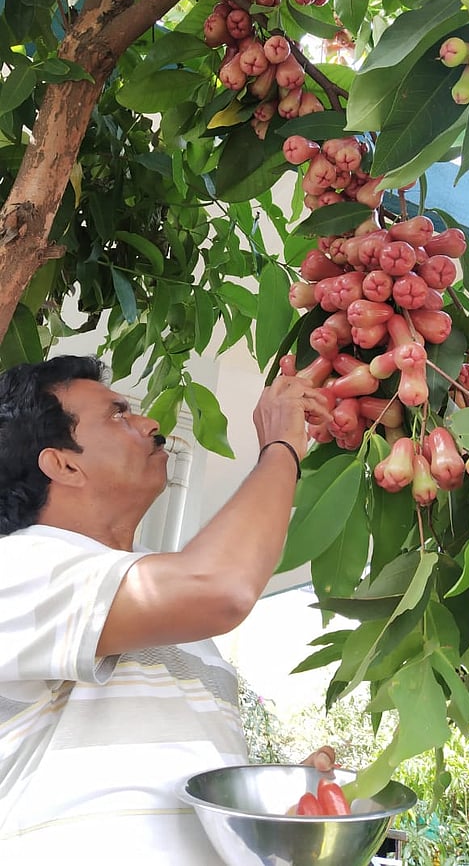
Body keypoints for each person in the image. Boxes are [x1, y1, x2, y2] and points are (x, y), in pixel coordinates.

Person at [0, 355, 332, 864]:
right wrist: (281, 446)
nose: (150, 422)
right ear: (63, 464)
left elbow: (175, 806)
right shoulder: (18, 566)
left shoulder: (188, 635)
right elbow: (221, 586)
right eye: (116, 414)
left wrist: (274, 814)